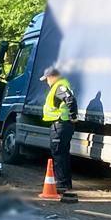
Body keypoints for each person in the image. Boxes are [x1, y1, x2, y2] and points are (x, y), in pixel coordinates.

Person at [41, 65, 78, 195]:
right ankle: (66, 183)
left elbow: (70, 100)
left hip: (60, 124)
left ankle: (62, 184)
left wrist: (73, 116)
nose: (46, 81)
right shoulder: (61, 85)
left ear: (52, 77)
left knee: (58, 154)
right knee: (63, 154)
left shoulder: (59, 86)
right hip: (63, 125)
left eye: (47, 79)